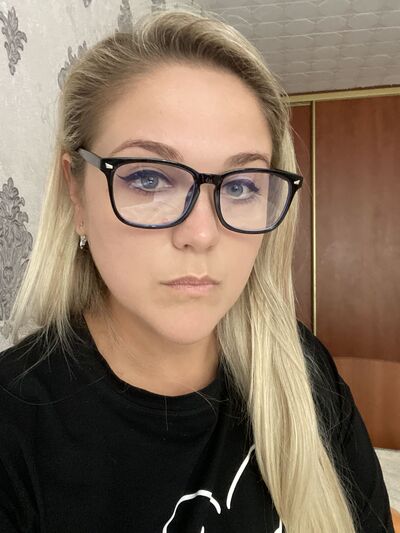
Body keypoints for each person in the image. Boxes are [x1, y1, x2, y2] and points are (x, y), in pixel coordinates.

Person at [0, 6, 394, 533]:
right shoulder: (14, 428)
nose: (202, 234)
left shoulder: (304, 370)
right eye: (148, 179)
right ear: (76, 192)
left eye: (241, 186)